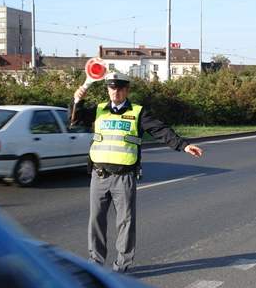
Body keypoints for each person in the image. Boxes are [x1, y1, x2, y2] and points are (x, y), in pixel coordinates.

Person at [71, 71, 203, 273]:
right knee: (96, 221)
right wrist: (77, 100)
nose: (115, 92)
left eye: (119, 88)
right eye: (112, 88)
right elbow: (74, 119)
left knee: (125, 222)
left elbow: (161, 130)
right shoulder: (99, 110)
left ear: (127, 90)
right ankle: (95, 264)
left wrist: (183, 145)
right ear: (107, 89)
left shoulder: (138, 112)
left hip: (124, 177)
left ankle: (122, 266)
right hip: (99, 176)